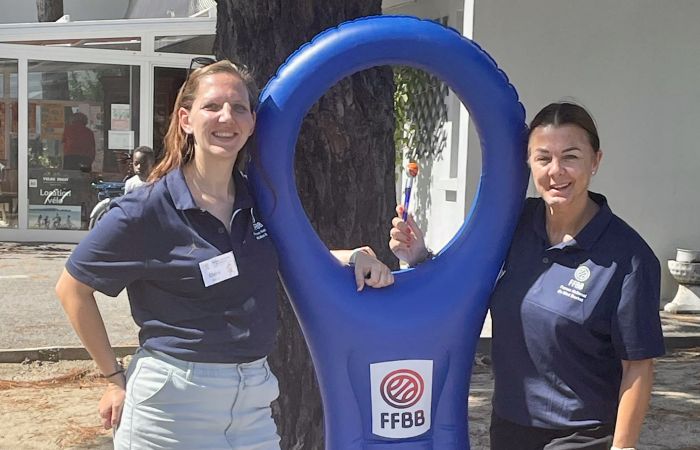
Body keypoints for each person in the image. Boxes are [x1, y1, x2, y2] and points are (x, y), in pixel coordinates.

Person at [55, 59, 394, 449]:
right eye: (212, 106)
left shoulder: (259, 200)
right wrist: (113, 378)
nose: (226, 117)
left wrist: (354, 257)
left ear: (252, 123)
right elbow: (72, 289)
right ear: (186, 119)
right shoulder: (146, 209)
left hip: (252, 402)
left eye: (239, 108)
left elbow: (288, 253)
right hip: (171, 408)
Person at [389, 102, 664, 450]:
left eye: (571, 156)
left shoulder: (628, 257)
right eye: (543, 157)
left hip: (582, 435)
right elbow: (463, 280)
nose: (556, 171)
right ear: (529, 164)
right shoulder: (514, 223)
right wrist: (417, 255)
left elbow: (638, 365)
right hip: (509, 427)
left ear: (595, 161)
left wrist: (623, 447)